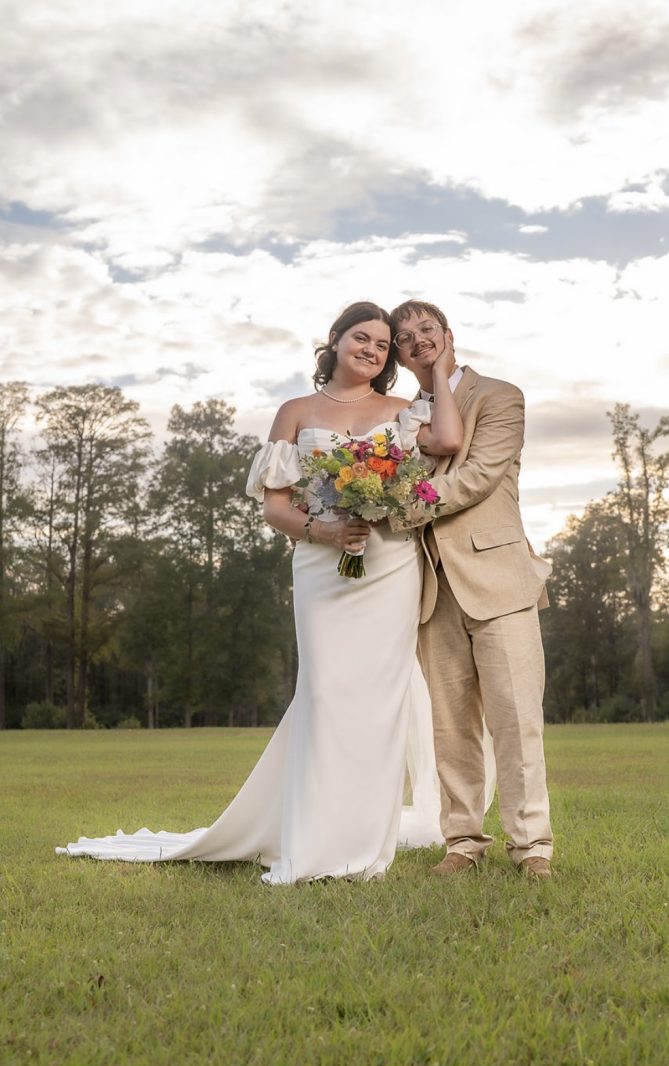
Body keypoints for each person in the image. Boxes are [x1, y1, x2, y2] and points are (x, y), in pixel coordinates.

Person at [57, 302, 463, 883]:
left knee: (379, 701)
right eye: (361, 338)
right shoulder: (295, 411)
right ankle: (315, 835)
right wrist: (323, 530)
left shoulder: (400, 410)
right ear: (336, 340)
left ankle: (362, 840)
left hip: (389, 565)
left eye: (382, 345)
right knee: (324, 693)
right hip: (323, 568)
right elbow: (275, 505)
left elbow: (447, 439)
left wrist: (440, 367)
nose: (372, 350)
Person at [389, 300, 554, 878]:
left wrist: (398, 508)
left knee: (515, 719)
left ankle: (532, 845)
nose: (417, 340)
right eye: (404, 337)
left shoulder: (499, 397)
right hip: (431, 588)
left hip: (498, 579)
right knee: (450, 726)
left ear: (448, 335)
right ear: (400, 354)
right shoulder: (401, 417)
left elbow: (480, 475)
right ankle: (462, 840)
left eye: (425, 329)